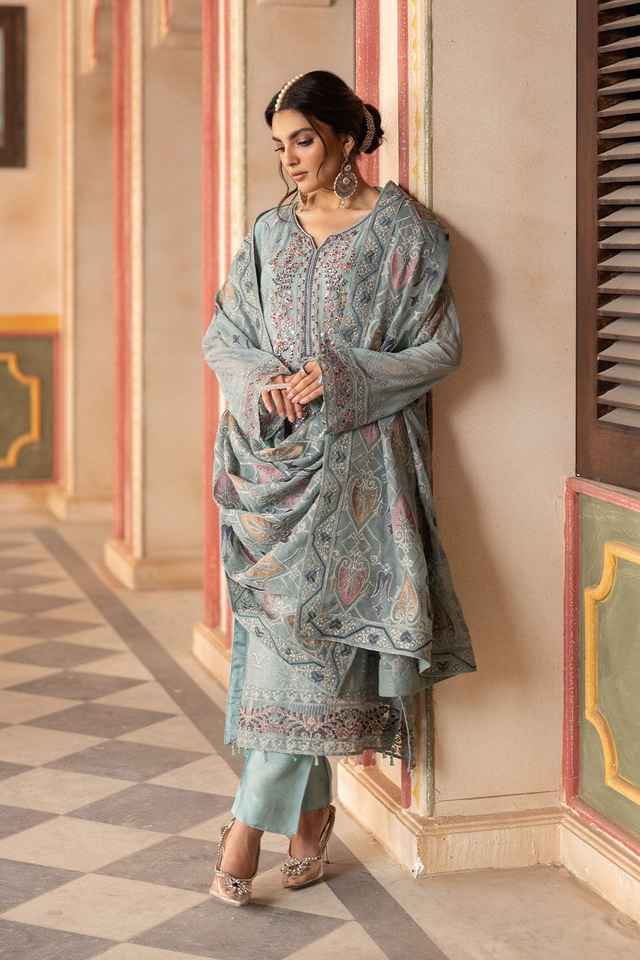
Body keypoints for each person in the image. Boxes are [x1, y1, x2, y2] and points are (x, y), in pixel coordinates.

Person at [201, 69, 477, 907]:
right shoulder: (269, 234)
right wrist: (267, 383)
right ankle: (313, 818)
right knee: (285, 654)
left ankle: (246, 828)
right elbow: (225, 334)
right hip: (274, 466)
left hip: (361, 470)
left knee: (311, 655)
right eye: (279, 144)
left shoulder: (404, 235)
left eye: (304, 140)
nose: (289, 158)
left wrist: (343, 375)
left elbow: (440, 350)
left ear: (347, 139)